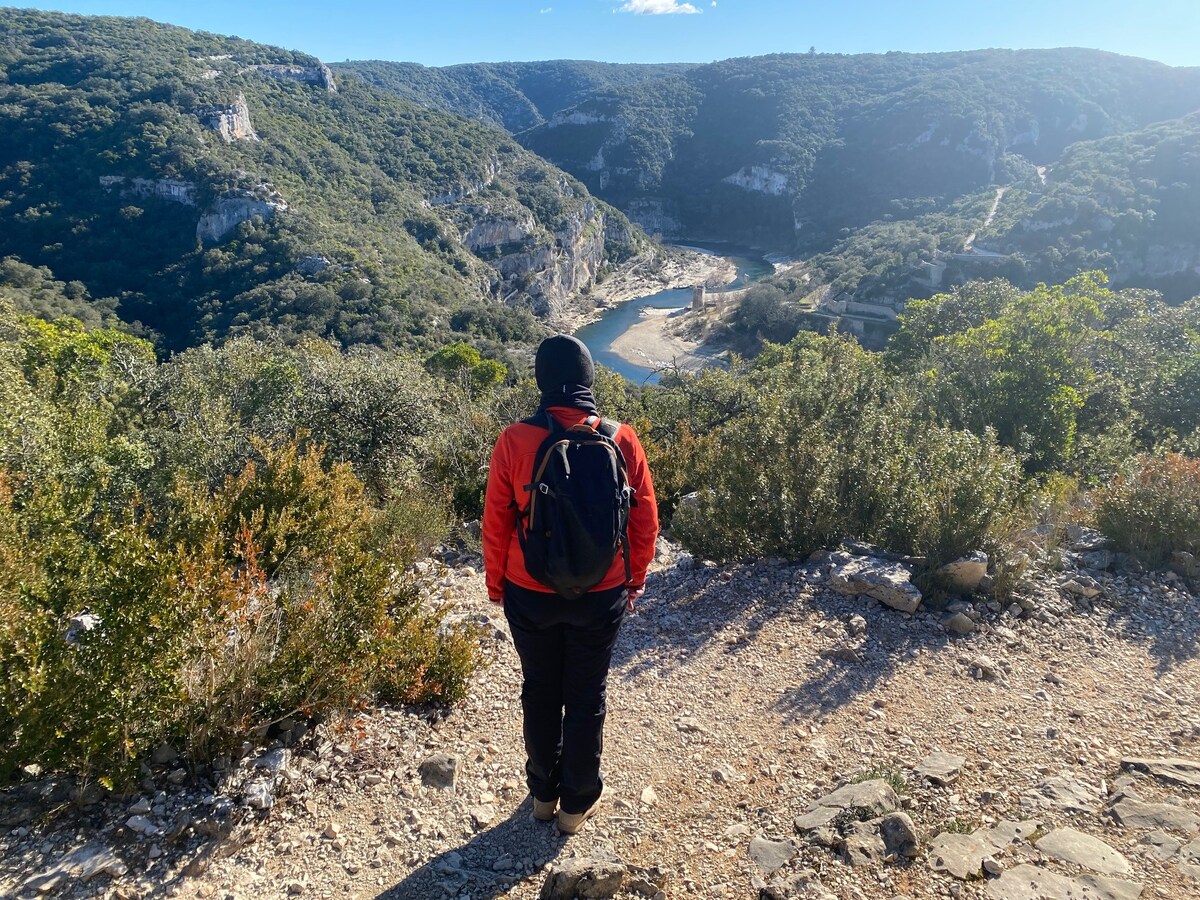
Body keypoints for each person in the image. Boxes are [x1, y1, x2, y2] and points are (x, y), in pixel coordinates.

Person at [482, 334, 659, 834]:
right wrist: (634, 579)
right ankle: (575, 807)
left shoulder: (514, 440)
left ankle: (542, 794)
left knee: (539, 689)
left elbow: (496, 522)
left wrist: (497, 584)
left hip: (528, 589)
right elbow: (644, 522)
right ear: (589, 381)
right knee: (586, 695)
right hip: (600, 593)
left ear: (540, 380)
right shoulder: (622, 439)